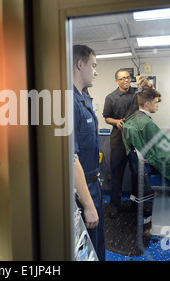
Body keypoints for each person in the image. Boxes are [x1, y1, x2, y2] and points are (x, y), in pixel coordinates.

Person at [103, 69, 154, 218]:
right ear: (116, 81)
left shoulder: (138, 93)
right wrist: (116, 121)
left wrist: (148, 85)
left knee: (138, 175)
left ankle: (137, 204)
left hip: (136, 143)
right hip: (118, 142)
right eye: (122, 78)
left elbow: (155, 98)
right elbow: (107, 118)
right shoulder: (110, 98)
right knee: (116, 176)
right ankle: (114, 206)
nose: (126, 80)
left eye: (127, 78)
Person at [72, 44, 105, 261]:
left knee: (97, 246)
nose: (96, 71)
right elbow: (69, 158)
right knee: (88, 250)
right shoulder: (68, 101)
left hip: (93, 182)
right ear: (79, 63)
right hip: (82, 190)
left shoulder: (83, 98)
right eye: (92, 65)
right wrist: (88, 205)